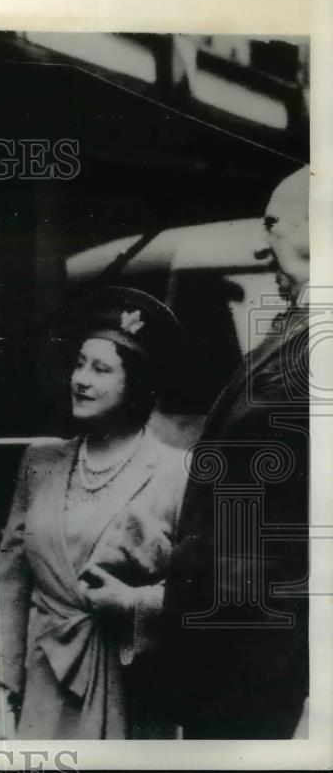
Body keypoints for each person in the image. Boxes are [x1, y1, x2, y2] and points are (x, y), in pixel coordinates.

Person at [0, 287, 188, 739]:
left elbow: (199, 595)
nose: (81, 379)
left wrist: (135, 605)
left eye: (101, 369)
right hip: (44, 684)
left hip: (131, 688)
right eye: (79, 363)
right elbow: (10, 580)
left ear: (138, 385)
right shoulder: (40, 463)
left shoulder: (176, 473)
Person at [161, 165, 311, 739]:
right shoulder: (295, 329)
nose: (262, 241)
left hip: (264, 657)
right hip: (236, 651)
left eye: (271, 223)